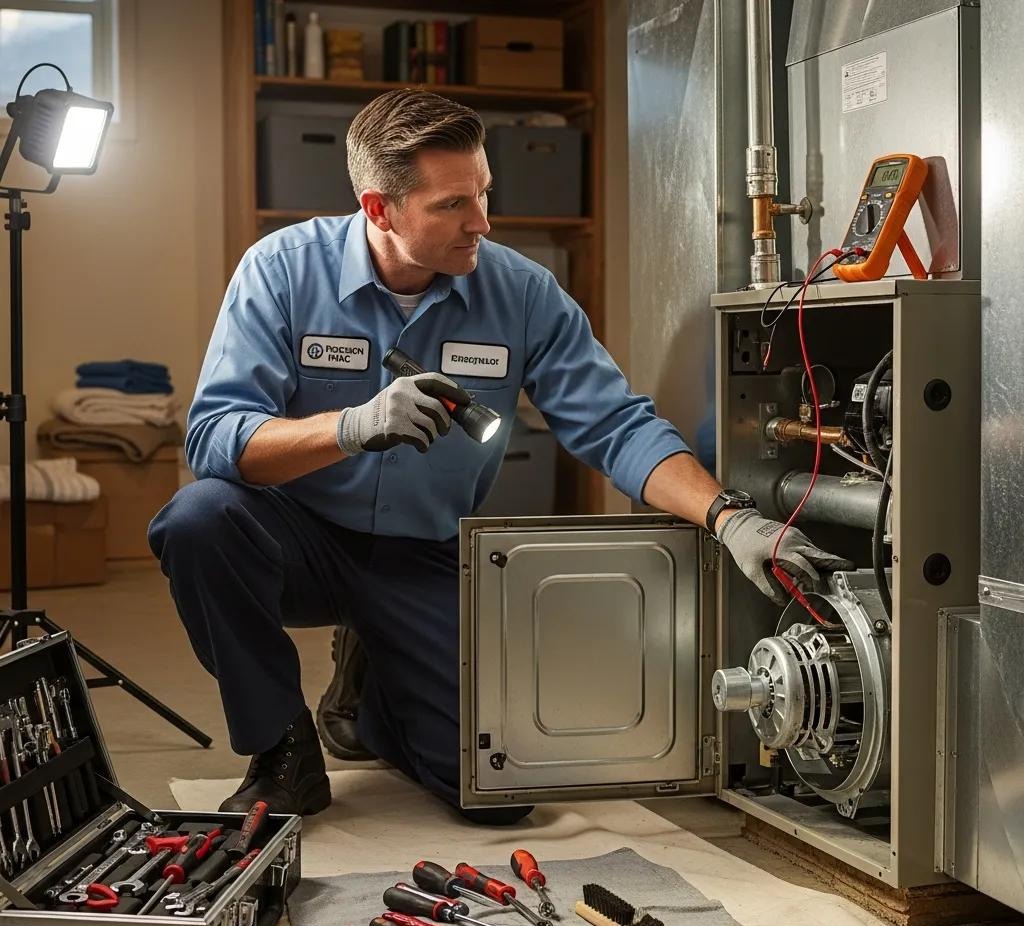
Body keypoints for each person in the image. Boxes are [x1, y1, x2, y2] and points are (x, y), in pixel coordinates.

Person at [149, 89, 851, 822]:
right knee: (199, 520)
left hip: (423, 552)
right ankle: (282, 748)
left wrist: (728, 517)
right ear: (380, 208)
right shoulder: (282, 271)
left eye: (484, 193)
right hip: (296, 540)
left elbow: (614, 423)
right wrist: (349, 428)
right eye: (452, 204)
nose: (482, 222)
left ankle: (376, 690)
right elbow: (215, 438)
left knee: (497, 799)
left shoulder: (519, 292)